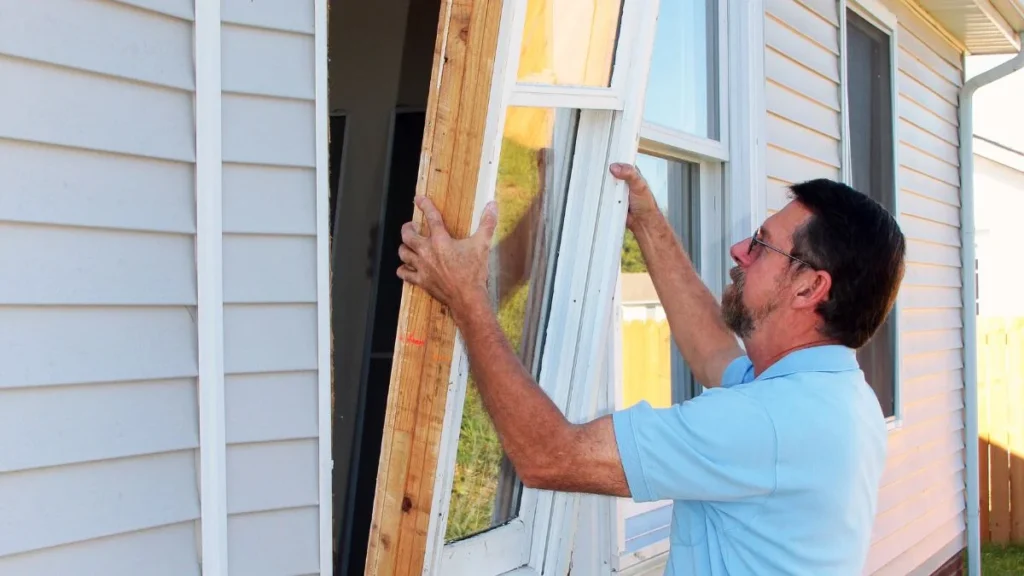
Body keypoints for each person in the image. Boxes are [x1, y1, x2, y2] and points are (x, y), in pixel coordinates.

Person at [396, 163, 906, 575]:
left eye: (761, 243)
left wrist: (468, 297)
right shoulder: (832, 395)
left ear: (808, 288)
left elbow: (548, 456)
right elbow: (713, 354)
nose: (739, 251)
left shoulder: (768, 423)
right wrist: (647, 222)